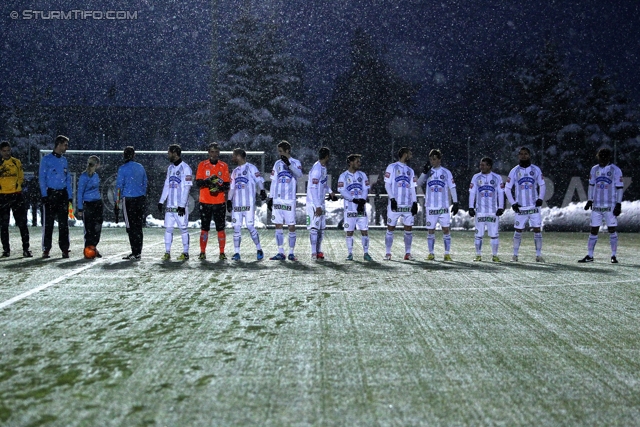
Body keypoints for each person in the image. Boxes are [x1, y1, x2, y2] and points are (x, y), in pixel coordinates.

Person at [578, 148, 624, 264]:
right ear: (598, 157)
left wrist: (618, 204)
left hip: (610, 205)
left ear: (609, 157)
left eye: (605, 156)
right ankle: (590, 255)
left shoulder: (615, 170)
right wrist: (590, 200)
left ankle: (613, 256)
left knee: (612, 229)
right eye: (600, 156)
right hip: (597, 206)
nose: (602, 159)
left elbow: (619, 188)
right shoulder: (594, 169)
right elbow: (591, 185)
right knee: (593, 230)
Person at [416, 149, 459, 261]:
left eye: (434, 159)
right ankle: (431, 253)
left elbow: (452, 187)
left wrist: (455, 202)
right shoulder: (428, 172)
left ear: (439, 159)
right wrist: (424, 173)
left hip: (443, 207)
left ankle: (447, 253)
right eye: (430, 159)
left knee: (446, 229)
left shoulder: (446, 172)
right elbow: (418, 184)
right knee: (431, 230)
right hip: (430, 206)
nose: (432, 161)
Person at [504, 147, 546, 263]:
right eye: (521, 154)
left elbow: (542, 185)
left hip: (533, 206)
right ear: (518, 156)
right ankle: (515, 255)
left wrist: (540, 199)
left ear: (529, 155)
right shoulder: (514, 171)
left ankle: (538, 255)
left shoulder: (536, 170)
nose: (523, 156)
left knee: (537, 230)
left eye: (525, 154)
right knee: (518, 230)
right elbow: (507, 188)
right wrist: (513, 203)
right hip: (521, 207)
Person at [226, 148, 267, 261]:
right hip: (237, 205)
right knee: (236, 228)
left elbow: (259, 180)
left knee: (250, 226)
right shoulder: (235, 171)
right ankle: (237, 253)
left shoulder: (251, 168)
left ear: (239, 156)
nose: (232, 158)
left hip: (248, 204)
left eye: (234, 155)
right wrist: (229, 200)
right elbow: (232, 187)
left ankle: (259, 249)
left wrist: (262, 190)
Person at [267, 140, 303, 261]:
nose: (280, 154)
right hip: (278, 199)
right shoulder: (277, 163)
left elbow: (299, 174)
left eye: (281, 151)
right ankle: (280, 252)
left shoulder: (295, 162)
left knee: (291, 226)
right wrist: (271, 197)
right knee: (278, 225)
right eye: (279, 152)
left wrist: (289, 165)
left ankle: (291, 252)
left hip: (289, 199)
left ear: (287, 151)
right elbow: (273, 181)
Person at [195, 142, 230, 260]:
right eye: (212, 151)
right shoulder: (202, 165)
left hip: (219, 202)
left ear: (219, 152)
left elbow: (226, 185)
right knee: (204, 228)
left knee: (220, 228)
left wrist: (218, 188)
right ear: (208, 152)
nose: (214, 154)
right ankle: (202, 252)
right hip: (205, 201)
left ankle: (222, 252)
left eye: (216, 151)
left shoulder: (223, 166)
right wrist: (209, 181)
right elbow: (198, 183)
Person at [39, 135, 72, 258]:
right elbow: (42, 178)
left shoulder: (64, 160)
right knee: (48, 223)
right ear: (59, 144)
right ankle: (46, 249)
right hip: (51, 194)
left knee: (64, 224)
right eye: (65, 145)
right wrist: (44, 194)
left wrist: (69, 195)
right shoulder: (46, 159)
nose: (66, 147)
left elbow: (67, 179)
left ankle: (64, 249)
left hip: (62, 194)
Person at [383, 147, 418, 261]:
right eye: (410, 153)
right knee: (390, 228)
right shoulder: (392, 167)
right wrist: (392, 199)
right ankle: (388, 253)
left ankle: (408, 253)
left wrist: (414, 202)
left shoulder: (410, 170)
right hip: (395, 204)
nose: (411, 156)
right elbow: (387, 185)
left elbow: (412, 188)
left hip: (407, 204)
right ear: (404, 154)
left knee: (408, 229)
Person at [159, 144, 193, 261]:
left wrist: (182, 205)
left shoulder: (186, 168)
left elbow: (187, 188)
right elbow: (167, 185)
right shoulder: (170, 168)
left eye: (169, 153)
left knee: (183, 229)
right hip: (170, 205)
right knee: (168, 228)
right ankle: (167, 252)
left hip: (180, 206)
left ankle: (185, 252)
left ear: (175, 153)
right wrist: (161, 201)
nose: (168, 155)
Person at [115, 146, 148, 261]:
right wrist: (142, 195)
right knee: (138, 226)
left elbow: (119, 187)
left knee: (130, 226)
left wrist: (117, 202)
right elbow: (145, 183)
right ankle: (138, 251)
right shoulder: (140, 167)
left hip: (128, 200)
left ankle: (135, 251)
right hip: (139, 199)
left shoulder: (122, 169)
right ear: (134, 155)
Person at [468, 157, 504, 262]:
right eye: (480, 165)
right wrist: (471, 207)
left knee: (494, 234)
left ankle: (495, 255)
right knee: (478, 234)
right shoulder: (476, 177)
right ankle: (478, 255)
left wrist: (501, 207)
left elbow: (501, 193)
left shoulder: (497, 178)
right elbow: (472, 192)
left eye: (483, 165)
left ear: (489, 166)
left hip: (493, 211)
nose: (481, 167)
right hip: (480, 211)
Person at [338, 154, 373, 261]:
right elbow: (342, 191)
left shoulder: (362, 175)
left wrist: (362, 200)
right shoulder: (343, 176)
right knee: (349, 232)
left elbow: (366, 189)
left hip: (361, 208)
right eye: (357, 161)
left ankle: (366, 253)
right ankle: (350, 253)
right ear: (350, 162)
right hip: (350, 208)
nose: (359, 163)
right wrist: (353, 199)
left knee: (364, 230)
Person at [0, 141, 31, 257]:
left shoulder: (16, 162)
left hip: (16, 195)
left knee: (22, 223)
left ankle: (26, 248)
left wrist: (17, 187)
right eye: (4, 151)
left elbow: (21, 177)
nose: (7, 153)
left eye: (8, 150)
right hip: (2, 196)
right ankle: (6, 250)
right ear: (0, 151)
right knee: (4, 225)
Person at [306, 147, 337, 260]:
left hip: (321, 202)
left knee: (322, 228)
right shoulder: (317, 169)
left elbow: (322, 184)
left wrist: (330, 191)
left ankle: (318, 251)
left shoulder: (323, 168)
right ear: (327, 156)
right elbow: (313, 188)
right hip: (314, 203)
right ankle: (314, 253)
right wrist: (317, 206)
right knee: (314, 228)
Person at [76, 155, 103, 258]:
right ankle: (88, 249)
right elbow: (80, 193)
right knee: (89, 228)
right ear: (96, 164)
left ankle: (93, 248)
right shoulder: (83, 177)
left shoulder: (96, 175)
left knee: (97, 228)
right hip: (88, 205)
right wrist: (80, 208)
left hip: (97, 203)